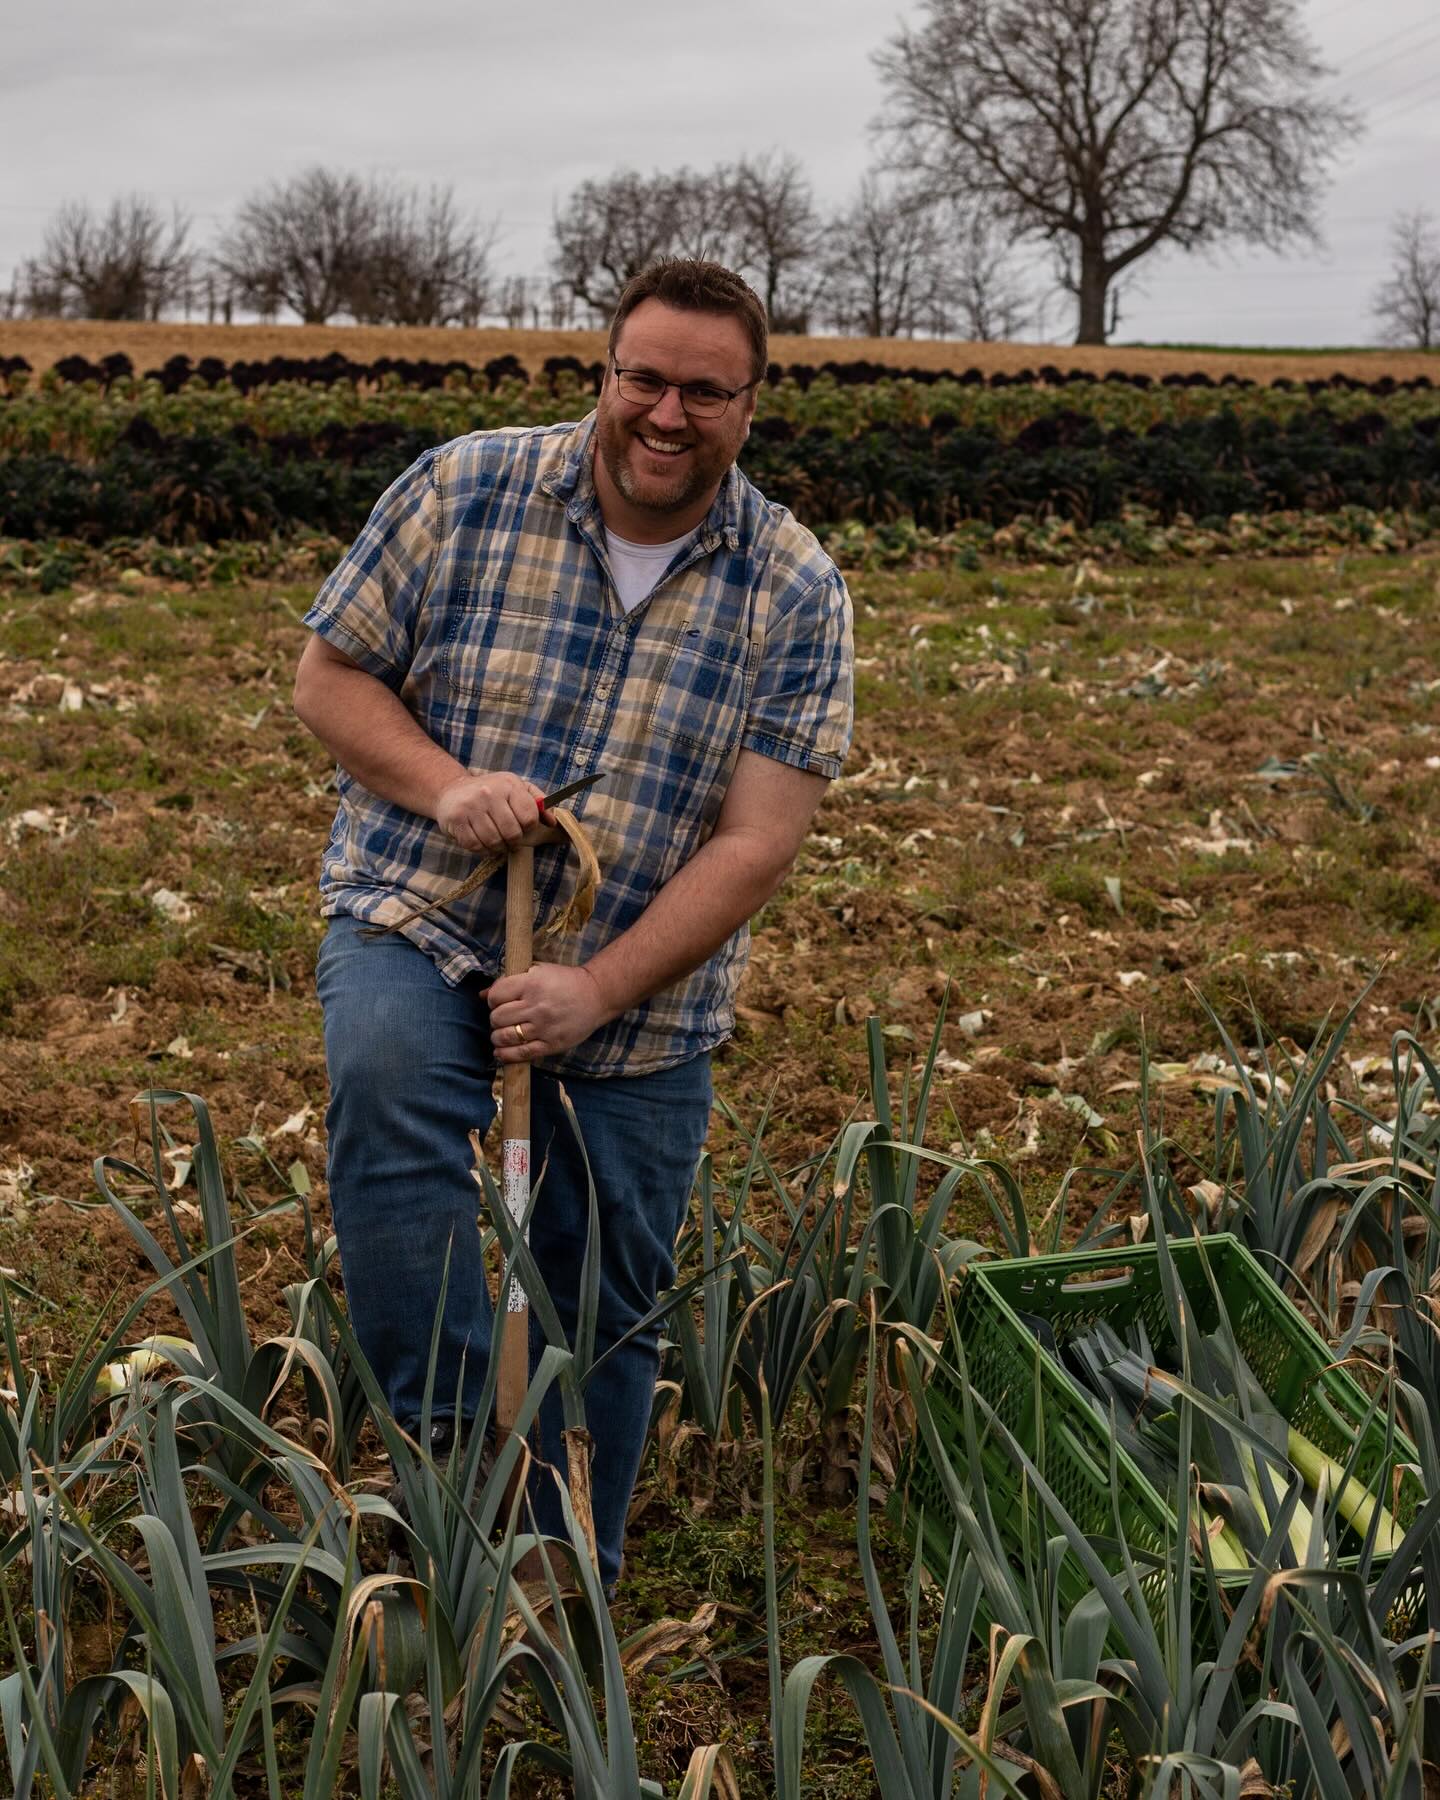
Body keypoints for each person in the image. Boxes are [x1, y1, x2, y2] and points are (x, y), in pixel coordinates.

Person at [293, 258, 853, 1591]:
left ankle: (560, 1571)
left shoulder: (794, 587)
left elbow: (760, 839)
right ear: (605, 373)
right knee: (388, 1079)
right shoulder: (466, 488)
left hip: (643, 987)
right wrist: (448, 785)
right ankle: (452, 1474)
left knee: (604, 1285)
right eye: (643, 379)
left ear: (751, 405)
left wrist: (596, 988)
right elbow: (329, 678)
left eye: (704, 393)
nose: (667, 414)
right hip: (422, 907)